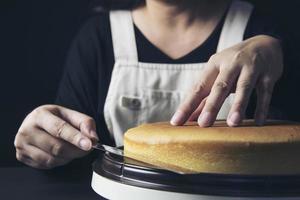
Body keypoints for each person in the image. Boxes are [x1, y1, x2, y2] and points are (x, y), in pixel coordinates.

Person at [14, 0, 285, 169]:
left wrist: (281, 49)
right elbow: (67, 144)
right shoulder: (97, 37)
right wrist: (46, 140)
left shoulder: (262, 32)